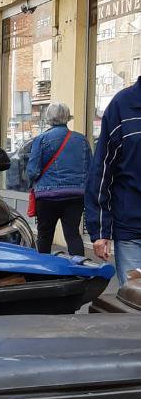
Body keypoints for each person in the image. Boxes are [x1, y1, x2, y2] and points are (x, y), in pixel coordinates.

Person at [85, 75, 141, 282]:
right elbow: (102, 171)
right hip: (132, 232)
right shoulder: (123, 106)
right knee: (136, 302)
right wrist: (100, 229)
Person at [25, 102, 91, 256]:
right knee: (73, 234)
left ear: (48, 118)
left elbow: (33, 171)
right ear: (67, 118)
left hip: (47, 197)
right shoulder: (81, 140)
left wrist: (31, 185)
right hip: (75, 196)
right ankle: (79, 271)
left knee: (44, 235)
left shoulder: (41, 140)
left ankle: (43, 272)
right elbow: (90, 169)